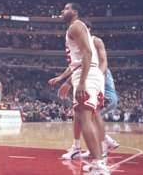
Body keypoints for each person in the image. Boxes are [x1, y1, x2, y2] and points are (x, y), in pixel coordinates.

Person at [51, 20, 119, 161]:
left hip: (97, 79)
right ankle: (97, 145)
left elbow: (103, 62)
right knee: (82, 113)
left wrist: (92, 78)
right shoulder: (80, 45)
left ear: (87, 29)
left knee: (88, 115)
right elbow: (74, 65)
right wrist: (62, 78)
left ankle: (102, 146)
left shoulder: (95, 41)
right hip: (89, 77)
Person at [54, 3, 108, 175]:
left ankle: (100, 165)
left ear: (75, 12)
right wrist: (66, 81)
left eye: (66, 9)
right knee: (85, 116)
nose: (62, 12)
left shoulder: (76, 26)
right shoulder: (76, 28)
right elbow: (78, 60)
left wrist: (82, 81)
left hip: (87, 75)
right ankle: (98, 159)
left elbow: (87, 54)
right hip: (88, 74)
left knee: (85, 117)